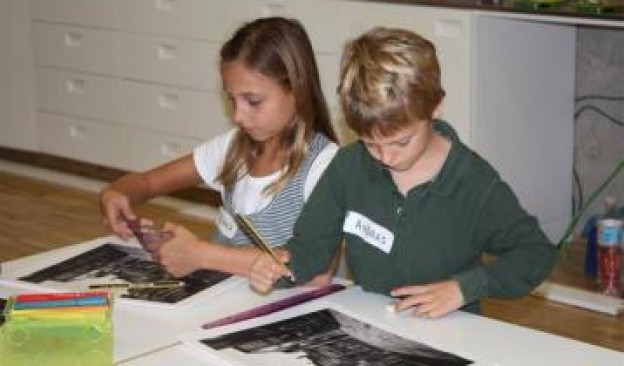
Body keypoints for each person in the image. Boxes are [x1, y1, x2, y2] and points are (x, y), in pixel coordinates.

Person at [248, 27, 557, 318]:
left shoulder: (473, 182)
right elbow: (311, 247)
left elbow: (536, 253)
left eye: (401, 142)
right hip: (370, 325)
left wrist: (465, 289)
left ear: (435, 107)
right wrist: (282, 267)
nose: (386, 157)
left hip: (450, 334)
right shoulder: (348, 166)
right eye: (371, 143)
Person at [99, 17, 340, 279]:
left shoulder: (326, 166)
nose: (238, 116)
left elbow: (317, 272)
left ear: (299, 91)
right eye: (231, 99)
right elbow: (147, 183)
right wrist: (115, 194)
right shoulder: (233, 148)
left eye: (253, 101)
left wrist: (200, 254)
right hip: (220, 297)